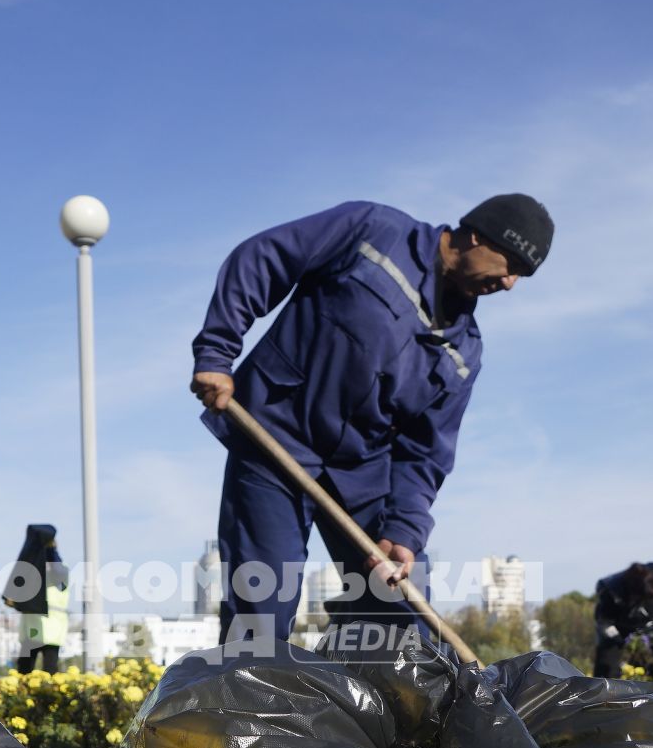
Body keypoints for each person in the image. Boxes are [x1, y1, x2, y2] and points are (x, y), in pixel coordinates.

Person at [189, 195, 553, 648]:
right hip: (274, 441)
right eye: (511, 263)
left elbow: (426, 453)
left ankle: (379, 714)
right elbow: (264, 258)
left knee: (402, 611)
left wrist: (403, 531)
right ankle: (246, 715)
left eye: (523, 274)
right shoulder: (373, 232)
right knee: (260, 607)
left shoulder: (464, 351)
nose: (511, 282)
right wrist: (217, 351)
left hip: (361, 472)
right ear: (477, 235)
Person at [3, 524, 67, 672]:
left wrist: (49, 549)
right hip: (35, 629)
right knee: (25, 672)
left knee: (47, 672)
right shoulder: (30, 570)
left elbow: (57, 571)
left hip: (49, 630)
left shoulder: (59, 570)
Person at [592, 561, 653, 678]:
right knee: (608, 663)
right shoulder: (610, 592)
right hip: (619, 625)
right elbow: (604, 622)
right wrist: (616, 638)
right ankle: (609, 692)